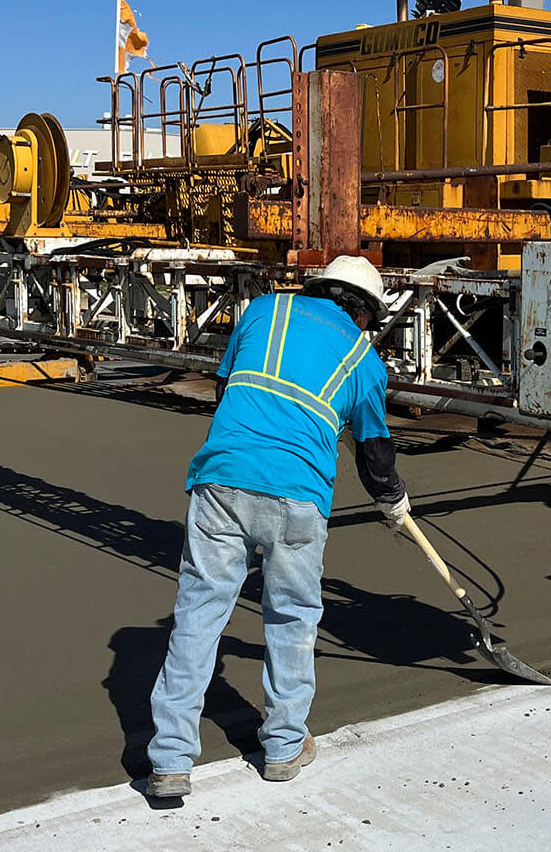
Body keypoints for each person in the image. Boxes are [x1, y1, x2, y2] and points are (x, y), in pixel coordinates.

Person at [145, 255, 411, 798]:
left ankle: (171, 762)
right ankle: (285, 749)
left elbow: (226, 394)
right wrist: (394, 503)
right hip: (298, 496)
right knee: (291, 619)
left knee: (198, 614)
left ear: (319, 289)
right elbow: (374, 451)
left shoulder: (263, 310)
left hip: (221, 479)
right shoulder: (364, 357)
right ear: (365, 313)